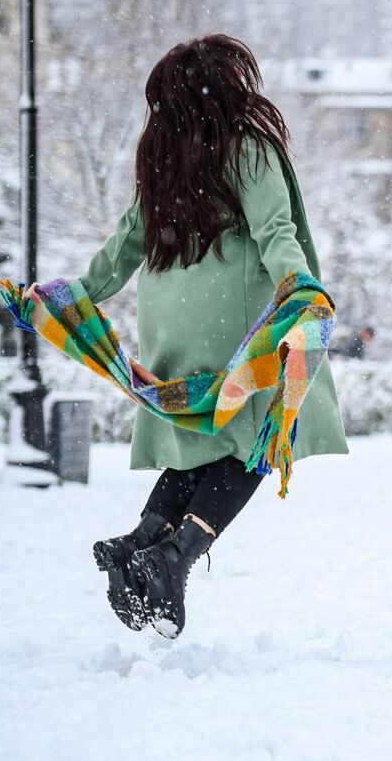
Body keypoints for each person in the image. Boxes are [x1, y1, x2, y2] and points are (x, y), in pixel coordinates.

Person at [82, 35, 349, 638]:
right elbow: (276, 230)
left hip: (170, 318)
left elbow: (125, 243)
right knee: (258, 445)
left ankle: (143, 541)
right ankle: (174, 561)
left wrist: (77, 297)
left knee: (203, 443)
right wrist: (299, 286)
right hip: (236, 318)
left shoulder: (161, 154)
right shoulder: (246, 147)